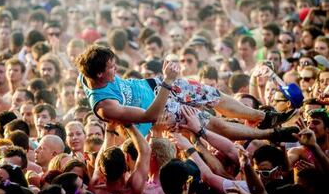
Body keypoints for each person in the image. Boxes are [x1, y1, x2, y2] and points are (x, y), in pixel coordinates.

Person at [76, 45, 297, 140]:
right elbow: (149, 117)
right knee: (212, 124)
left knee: (213, 95)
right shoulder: (106, 107)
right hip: (161, 109)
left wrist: (166, 82)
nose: (116, 70)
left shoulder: (86, 71)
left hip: (157, 84)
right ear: (97, 75)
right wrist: (169, 82)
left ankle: (265, 117)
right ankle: (271, 135)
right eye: (111, 68)